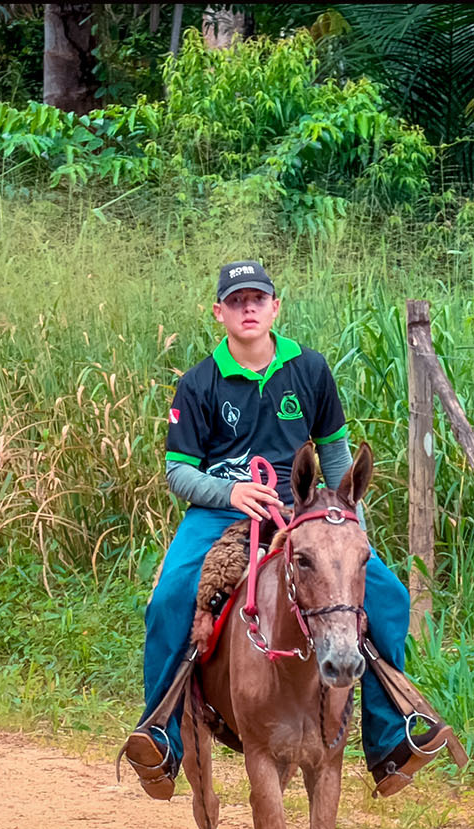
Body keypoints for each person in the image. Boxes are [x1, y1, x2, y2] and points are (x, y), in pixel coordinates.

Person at [122, 260, 458, 799]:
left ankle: (390, 738)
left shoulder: (310, 369)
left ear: (275, 307)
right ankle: (160, 738)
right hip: (220, 512)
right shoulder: (199, 382)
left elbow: (336, 456)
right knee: (169, 600)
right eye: (236, 301)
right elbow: (179, 473)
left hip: (302, 510)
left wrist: (351, 528)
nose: (248, 309)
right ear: (219, 312)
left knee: (389, 597)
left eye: (258, 299)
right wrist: (229, 492)